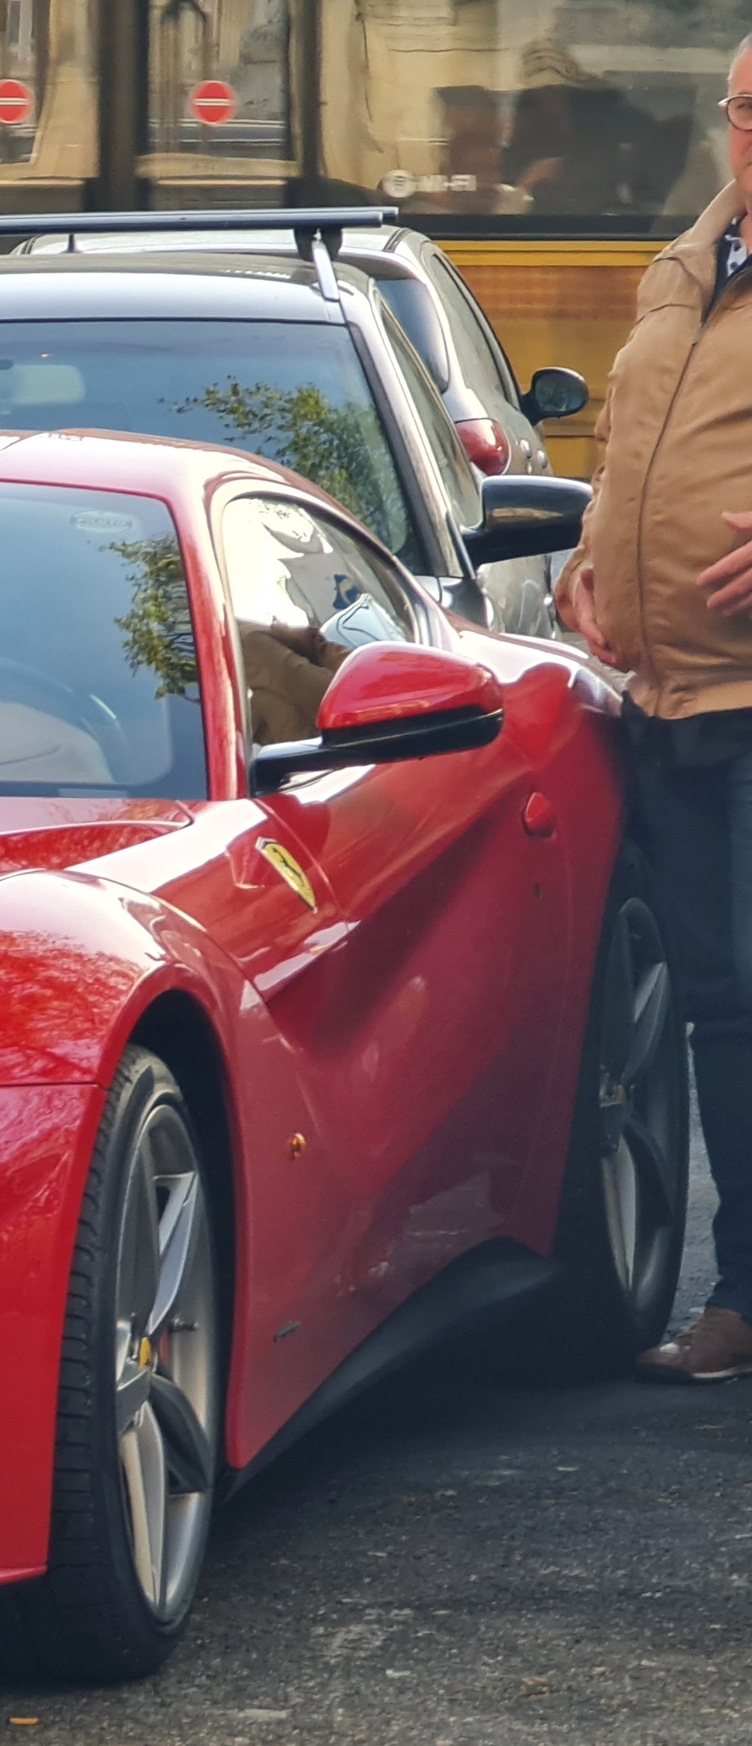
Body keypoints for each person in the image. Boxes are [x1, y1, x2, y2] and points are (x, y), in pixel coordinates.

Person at [560, 32, 752, 1382]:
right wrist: (588, 562)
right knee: (718, 1009)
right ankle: (746, 1295)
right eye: (747, 108)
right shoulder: (688, 265)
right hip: (667, 696)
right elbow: (626, 453)